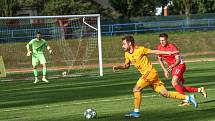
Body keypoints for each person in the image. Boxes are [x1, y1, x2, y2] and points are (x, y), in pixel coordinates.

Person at [112, 35, 198, 118]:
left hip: (150, 73)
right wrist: (118, 67)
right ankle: (188, 97)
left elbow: (154, 51)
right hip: (150, 75)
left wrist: (168, 52)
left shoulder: (140, 49)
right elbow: (127, 65)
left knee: (136, 89)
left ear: (130, 43)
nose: (122, 46)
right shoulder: (127, 53)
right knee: (165, 93)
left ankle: (136, 112)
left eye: (124, 44)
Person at [156, 33, 207, 106]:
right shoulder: (159, 48)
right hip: (173, 67)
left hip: (180, 65)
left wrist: (171, 66)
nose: (162, 42)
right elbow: (160, 60)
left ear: (167, 39)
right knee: (180, 87)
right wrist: (165, 70)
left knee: (174, 82)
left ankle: (186, 100)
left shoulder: (172, 47)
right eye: (160, 40)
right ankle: (200, 89)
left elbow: (178, 60)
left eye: (163, 40)